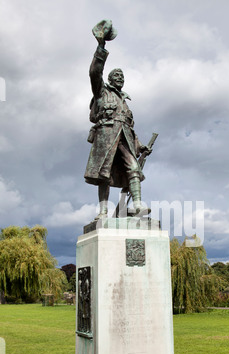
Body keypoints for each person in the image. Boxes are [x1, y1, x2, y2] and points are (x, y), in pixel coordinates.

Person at [84, 20, 151, 219]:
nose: (121, 78)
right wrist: (101, 46)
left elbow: (129, 127)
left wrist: (140, 146)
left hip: (125, 139)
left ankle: (138, 205)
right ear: (110, 79)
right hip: (106, 136)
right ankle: (103, 211)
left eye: (123, 76)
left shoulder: (125, 102)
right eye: (117, 75)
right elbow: (94, 72)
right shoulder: (101, 92)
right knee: (104, 174)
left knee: (134, 168)